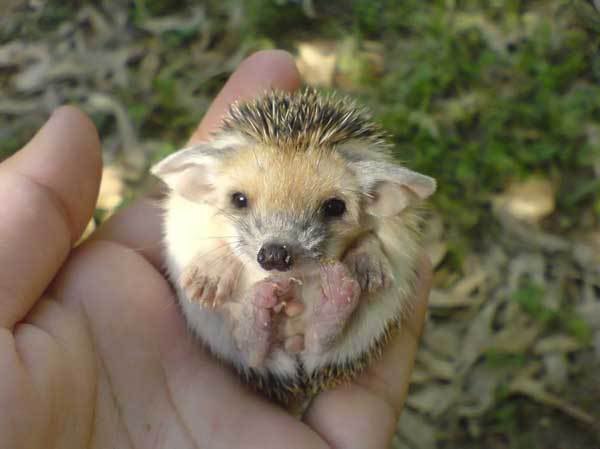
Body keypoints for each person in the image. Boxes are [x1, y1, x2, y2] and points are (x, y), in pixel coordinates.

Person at [0, 50, 431, 449]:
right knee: (211, 270)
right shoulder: (206, 191)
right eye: (241, 201)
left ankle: (304, 327)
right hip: (284, 309)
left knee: (381, 260)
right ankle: (274, 326)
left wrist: (368, 249)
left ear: (380, 195)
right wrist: (218, 258)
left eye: (331, 208)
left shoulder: (372, 197)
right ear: (201, 180)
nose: (275, 250)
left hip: (325, 300)